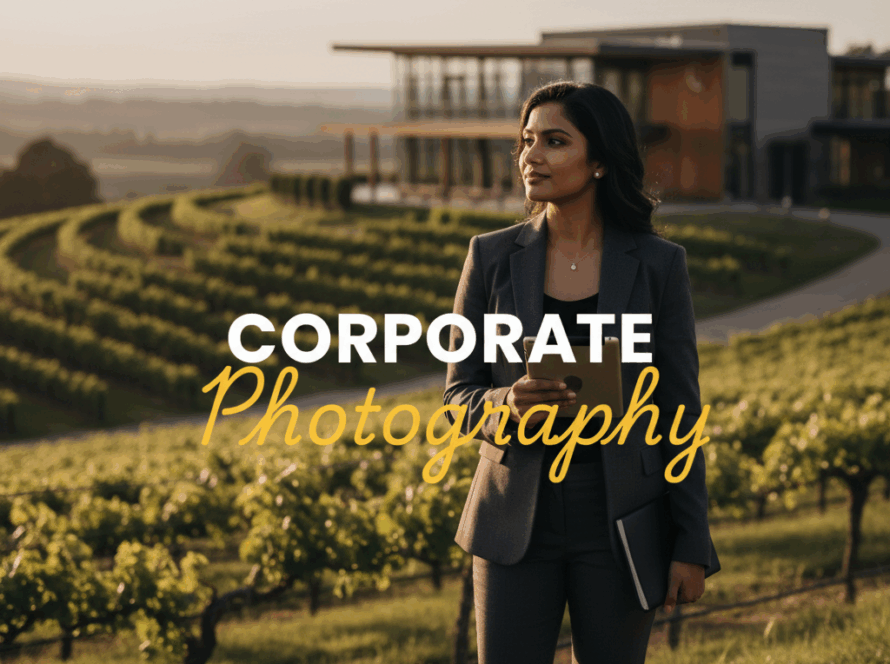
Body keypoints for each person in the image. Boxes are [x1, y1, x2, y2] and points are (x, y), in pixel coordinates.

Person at [443, 81, 719, 664]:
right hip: (513, 519)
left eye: (554, 141)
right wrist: (503, 405)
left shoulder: (659, 265)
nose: (530, 156)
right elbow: (458, 395)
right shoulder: (489, 258)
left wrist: (691, 540)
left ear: (598, 161)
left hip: (620, 519)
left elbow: (680, 412)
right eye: (526, 140)